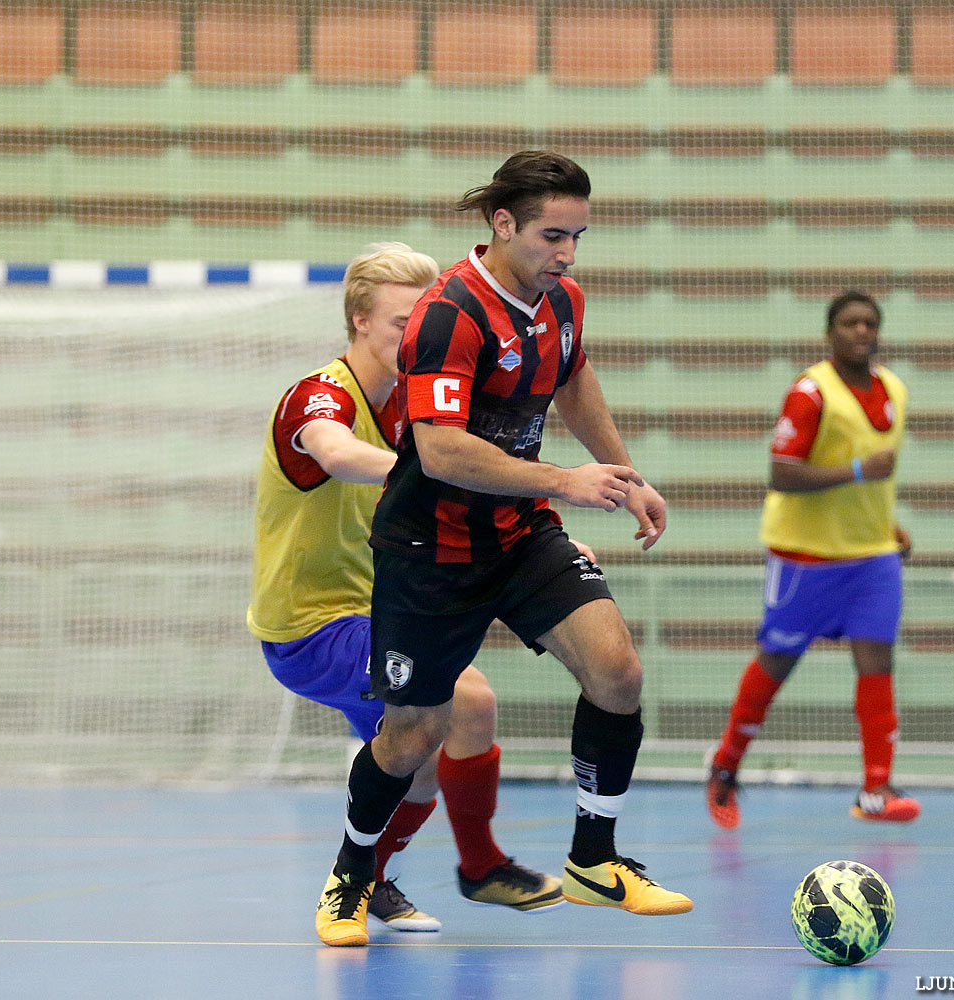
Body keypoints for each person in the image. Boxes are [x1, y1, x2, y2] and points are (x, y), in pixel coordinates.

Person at [313, 151, 693, 949]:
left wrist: (624, 477)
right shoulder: (449, 313)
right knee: (413, 735)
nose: (568, 254)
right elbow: (444, 451)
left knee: (617, 671)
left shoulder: (561, 300)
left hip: (518, 535)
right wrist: (565, 480)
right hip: (431, 548)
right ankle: (352, 873)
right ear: (503, 224)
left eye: (579, 237)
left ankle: (596, 859)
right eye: (554, 236)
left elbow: (573, 378)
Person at [249, 242, 563, 935]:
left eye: (423, 326)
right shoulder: (320, 395)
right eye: (400, 324)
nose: (414, 339)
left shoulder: (417, 407)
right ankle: (479, 867)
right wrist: (421, 469)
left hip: (381, 615)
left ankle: (371, 881)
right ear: (360, 320)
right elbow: (333, 451)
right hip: (312, 625)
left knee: (422, 757)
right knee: (468, 697)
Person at [705, 290, 921, 830]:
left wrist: (886, 526)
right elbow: (782, 474)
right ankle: (726, 765)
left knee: (877, 663)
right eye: (850, 323)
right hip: (804, 557)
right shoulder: (810, 392)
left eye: (870, 323)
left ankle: (877, 788)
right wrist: (855, 471)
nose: (861, 332)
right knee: (776, 664)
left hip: (871, 557)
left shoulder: (894, 389)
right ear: (830, 333)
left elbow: (873, 484)